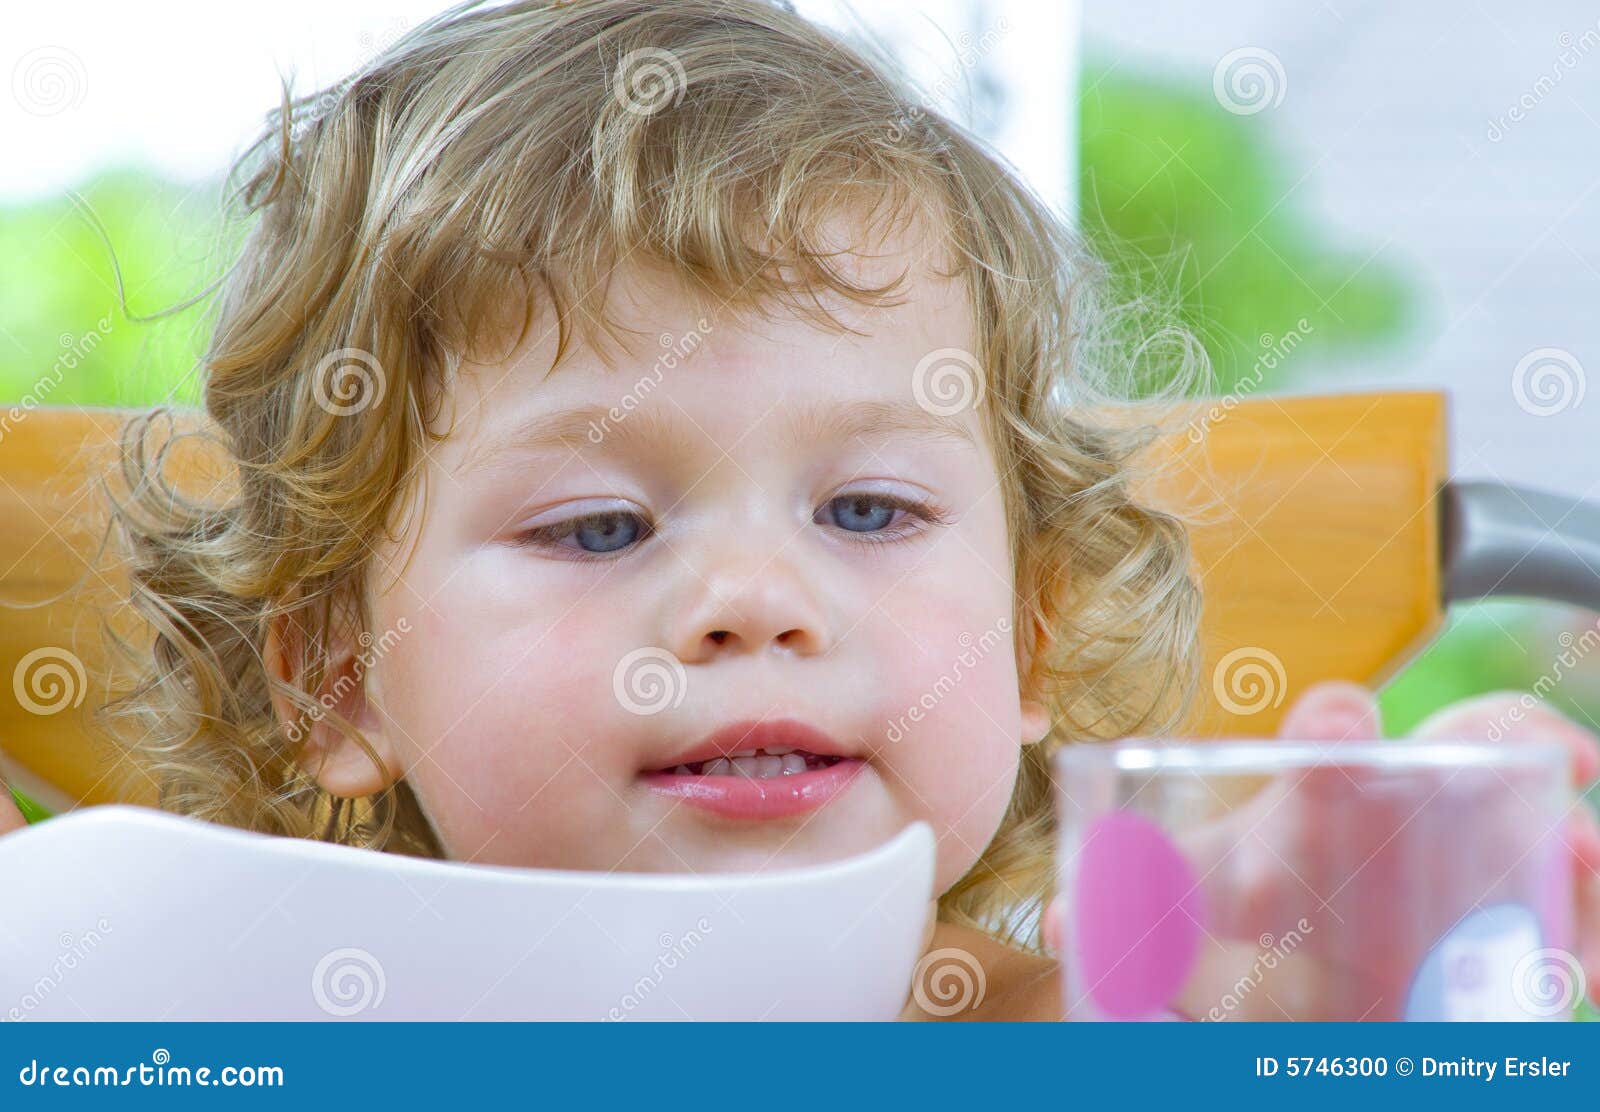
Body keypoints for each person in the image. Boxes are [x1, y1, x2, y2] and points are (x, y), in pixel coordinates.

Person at [3, 0, 1596, 1021]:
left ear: (1034, 631)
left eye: (872, 510)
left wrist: (1321, 961)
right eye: (600, 528)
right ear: (335, 677)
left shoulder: (1110, 1015)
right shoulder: (215, 1024)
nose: (756, 601)